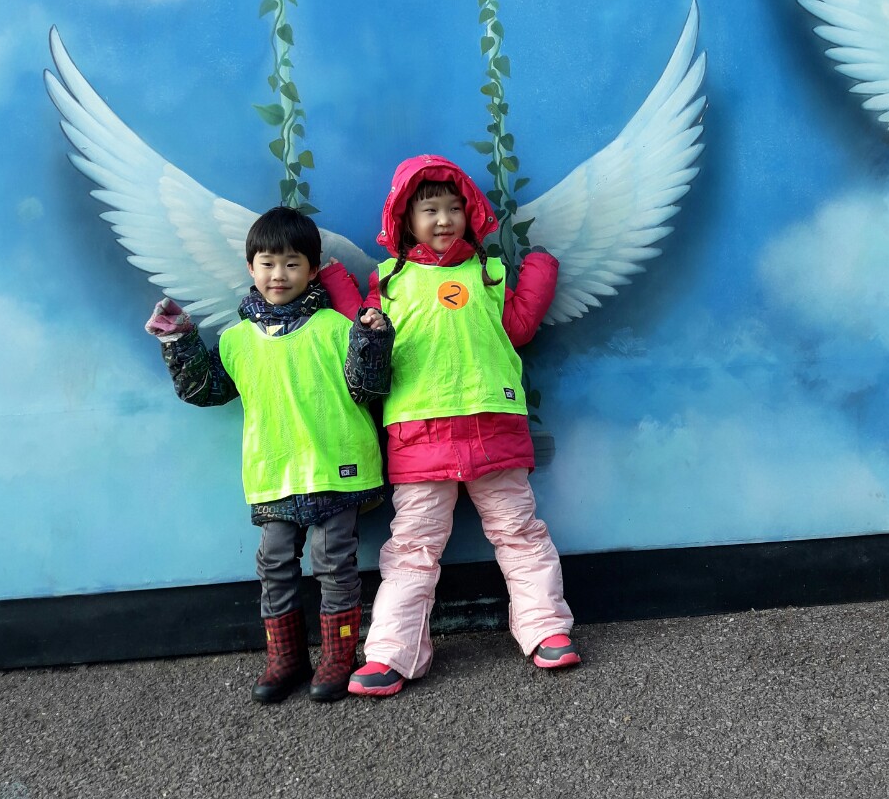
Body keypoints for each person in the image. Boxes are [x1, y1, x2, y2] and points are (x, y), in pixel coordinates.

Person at [348, 154, 580, 697]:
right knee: (412, 546)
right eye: (430, 209)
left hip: (491, 426)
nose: (444, 219)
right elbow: (361, 345)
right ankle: (391, 653)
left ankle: (545, 629)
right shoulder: (387, 283)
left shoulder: (488, 273)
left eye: (455, 208)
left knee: (519, 532)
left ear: (470, 213)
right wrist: (348, 297)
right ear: (405, 219)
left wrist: (540, 271)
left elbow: (518, 328)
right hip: (419, 434)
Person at [145, 206, 393, 704]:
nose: (279, 274)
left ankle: (339, 654)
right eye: (268, 263)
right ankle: (286, 657)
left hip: (336, 469)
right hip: (274, 473)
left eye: (292, 263)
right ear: (250, 267)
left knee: (334, 564)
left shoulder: (335, 327)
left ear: (313, 269)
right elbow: (205, 390)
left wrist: (372, 339)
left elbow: (368, 388)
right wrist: (180, 339)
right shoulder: (236, 340)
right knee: (274, 564)